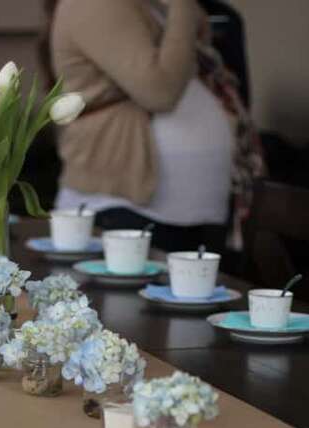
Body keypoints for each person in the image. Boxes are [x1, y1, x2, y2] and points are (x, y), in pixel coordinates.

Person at [48, 0, 263, 252]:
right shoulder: (95, 5)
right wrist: (184, 7)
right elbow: (160, 92)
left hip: (186, 213)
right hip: (126, 209)